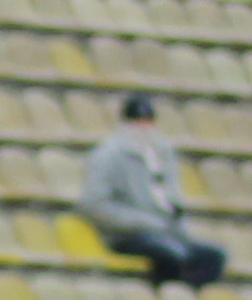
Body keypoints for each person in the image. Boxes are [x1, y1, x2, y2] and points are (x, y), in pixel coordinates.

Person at [80, 94, 223, 285]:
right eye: (137, 122)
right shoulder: (108, 156)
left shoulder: (162, 153)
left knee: (212, 256)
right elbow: (95, 205)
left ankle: (187, 295)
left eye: (147, 122)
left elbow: (172, 197)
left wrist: (175, 223)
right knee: (170, 256)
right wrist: (144, 222)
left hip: (165, 232)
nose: (143, 128)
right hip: (127, 235)